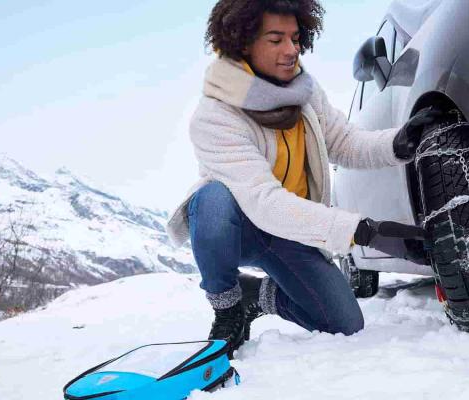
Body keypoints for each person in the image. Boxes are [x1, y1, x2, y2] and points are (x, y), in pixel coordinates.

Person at [166, 0, 439, 355]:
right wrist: (366, 231)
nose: (292, 50)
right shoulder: (215, 116)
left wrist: (400, 142)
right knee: (212, 202)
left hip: (294, 230)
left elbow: (345, 142)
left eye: (295, 38)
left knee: (344, 324)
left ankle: (257, 295)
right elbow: (265, 202)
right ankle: (228, 306)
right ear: (242, 43)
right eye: (276, 39)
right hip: (242, 228)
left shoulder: (304, 93)